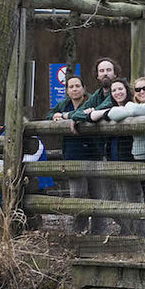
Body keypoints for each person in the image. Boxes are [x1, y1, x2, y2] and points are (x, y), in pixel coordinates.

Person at [86, 77, 145, 236]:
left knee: (134, 197)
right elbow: (88, 117)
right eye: (114, 90)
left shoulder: (132, 107)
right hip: (112, 159)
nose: (117, 92)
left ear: (127, 90)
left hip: (130, 159)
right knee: (116, 198)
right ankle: (127, 231)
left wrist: (101, 113)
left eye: (120, 89)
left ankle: (140, 235)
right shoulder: (110, 108)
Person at [68, 57, 122, 234]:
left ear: (115, 72)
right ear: (97, 75)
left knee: (120, 196)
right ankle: (92, 236)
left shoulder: (119, 90)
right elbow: (80, 111)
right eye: (101, 71)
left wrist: (90, 114)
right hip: (103, 152)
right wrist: (78, 116)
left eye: (108, 70)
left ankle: (135, 233)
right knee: (102, 196)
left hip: (122, 150)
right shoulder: (97, 94)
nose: (105, 73)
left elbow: (104, 108)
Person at [107, 76, 145, 235]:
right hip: (140, 157)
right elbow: (112, 114)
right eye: (138, 89)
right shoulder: (137, 106)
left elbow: (131, 110)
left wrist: (129, 108)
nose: (142, 91)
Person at [45, 75, 97, 233]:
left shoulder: (91, 102)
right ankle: (79, 231)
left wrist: (71, 117)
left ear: (84, 88)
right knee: (77, 195)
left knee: (98, 195)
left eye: (77, 86)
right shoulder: (64, 104)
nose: (74, 89)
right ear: (67, 90)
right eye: (71, 87)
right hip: (72, 155)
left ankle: (98, 231)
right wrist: (55, 116)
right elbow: (49, 115)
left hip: (94, 153)